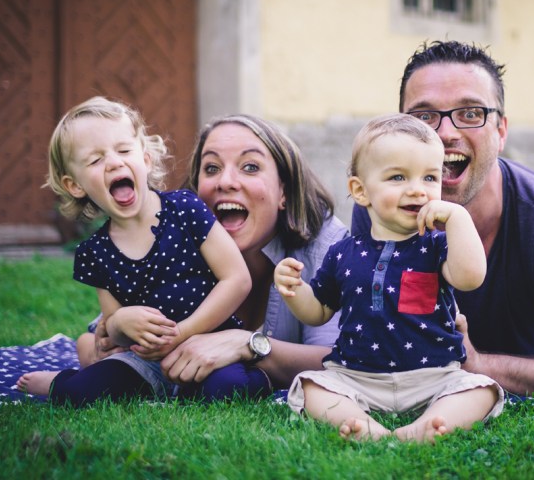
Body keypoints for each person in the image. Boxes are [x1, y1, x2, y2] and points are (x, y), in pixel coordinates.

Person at [353, 41, 534, 400]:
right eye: (424, 117)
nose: (445, 134)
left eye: (470, 113)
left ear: (501, 132)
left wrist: (477, 365)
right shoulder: (380, 207)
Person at [76, 114, 350, 396]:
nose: (226, 182)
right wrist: (102, 348)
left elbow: (343, 362)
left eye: (250, 167)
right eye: (212, 168)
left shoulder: (326, 246)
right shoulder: (172, 236)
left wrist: (246, 345)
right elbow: (95, 339)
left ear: (284, 190)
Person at [16, 97, 262, 406]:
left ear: (145, 160)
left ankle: (250, 378)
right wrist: (121, 323)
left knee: (230, 390)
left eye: (123, 151)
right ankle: (61, 381)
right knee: (78, 393)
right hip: (144, 361)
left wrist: (183, 332)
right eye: (95, 160)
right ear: (75, 185)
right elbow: (113, 328)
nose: (114, 163)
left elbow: (237, 280)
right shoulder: (96, 252)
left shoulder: (186, 209)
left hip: (208, 343)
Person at [275, 114, 504, 443]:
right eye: (398, 177)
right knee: (311, 387)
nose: (418, 189)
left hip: (435, 375)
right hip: (356, 376)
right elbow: (318, 311)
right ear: (360, 191)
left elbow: (471, 278)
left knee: (480, 390)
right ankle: (363, 424)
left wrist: (458, 218)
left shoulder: (437, 246)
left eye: (430, 177)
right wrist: (295, 290)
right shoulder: (343, 253)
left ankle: (427, 424)